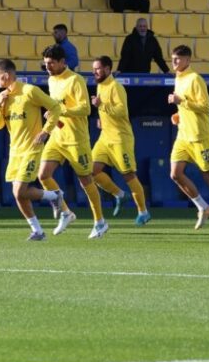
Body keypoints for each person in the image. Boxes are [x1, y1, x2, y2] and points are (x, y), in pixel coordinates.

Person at [38, 45, 109, 239]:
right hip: (57, 137)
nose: (48, 67)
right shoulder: (51, 79)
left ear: (62, 62)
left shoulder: (75, 80)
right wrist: (52, 113)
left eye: (51, 63)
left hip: (76, 140)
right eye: (45, 64)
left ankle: (100, 222)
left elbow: (85, 109)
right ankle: (66, 212)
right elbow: (56, 106)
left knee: (85, 180)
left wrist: (60, 111)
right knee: (43, 175)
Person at [0, 58, 67, 241]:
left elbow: (55, 108)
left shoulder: (30, 91)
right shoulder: (3, 97)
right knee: (19, 195)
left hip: (32, 149)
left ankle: (54, 196)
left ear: (6, 76)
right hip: (15, 152)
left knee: (19, 191)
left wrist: (45, 131)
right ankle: (38, 231)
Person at [168, 45, 209, 231]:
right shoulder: (178, 79)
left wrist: (181, 102)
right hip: (183, 135)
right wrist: (178, 115)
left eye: (178, 59)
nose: (174, 62)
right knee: (175, 174)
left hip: (199, 136)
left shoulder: (195, 79)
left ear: (188, 60)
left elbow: (205, 107)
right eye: (173, 58)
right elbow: (188, 108)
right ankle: (203, 207)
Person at [91, 56, 151, 225]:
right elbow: (106, 110)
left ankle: (143, 212)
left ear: (107, 69)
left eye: (98, 68)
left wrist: (101, 106)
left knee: (128, 175)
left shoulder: (116, 86)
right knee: (90, 172)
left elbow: (121, 111)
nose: (95, 72)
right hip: (105, 137)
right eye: (93, 69)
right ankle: (119, 194)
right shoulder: (100, 85)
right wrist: (101, 118)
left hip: (120, 138)